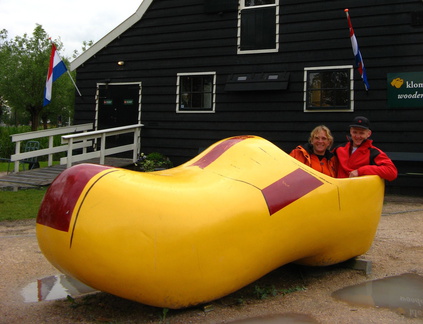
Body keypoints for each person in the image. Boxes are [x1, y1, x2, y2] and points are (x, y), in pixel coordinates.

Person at [333, 116, 397, 181]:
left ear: (368, 134)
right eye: (355, 132)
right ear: (350, 131)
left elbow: (392, 172)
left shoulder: (374, 152)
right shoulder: (339, 149)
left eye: (361, 133)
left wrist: (360, 171)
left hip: (360, 189)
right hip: (339, 189)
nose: (357, 136)